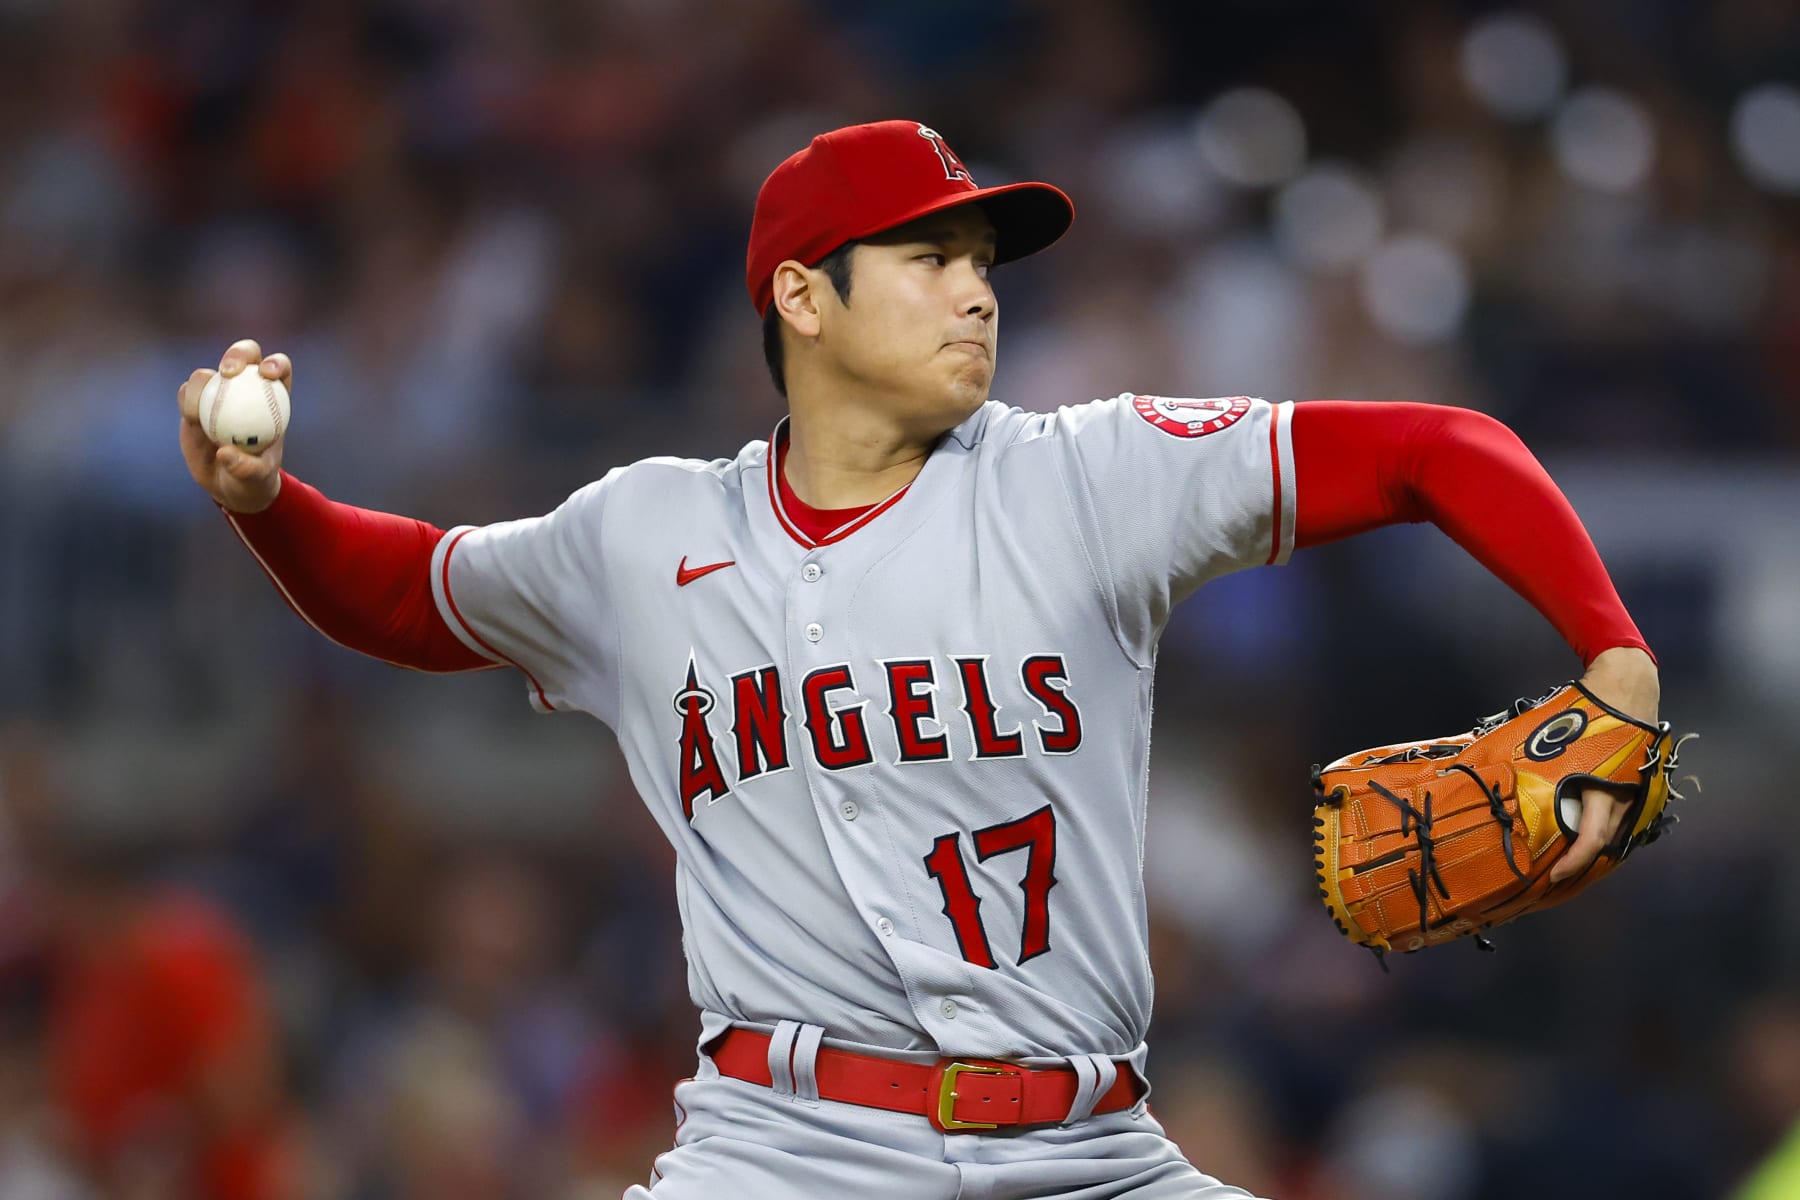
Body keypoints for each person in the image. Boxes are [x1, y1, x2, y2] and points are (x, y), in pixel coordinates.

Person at [176, 120, 1661, 1198]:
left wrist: (1616, 660)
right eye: (929, 255)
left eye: (984, 260)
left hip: (1093, 1153)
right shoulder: (644, 536)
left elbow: (1438, 449)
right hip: (785, 1153)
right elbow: (412, 595)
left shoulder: (1089, 474)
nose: (978, 288)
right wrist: (267, 506)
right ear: (801, 299)